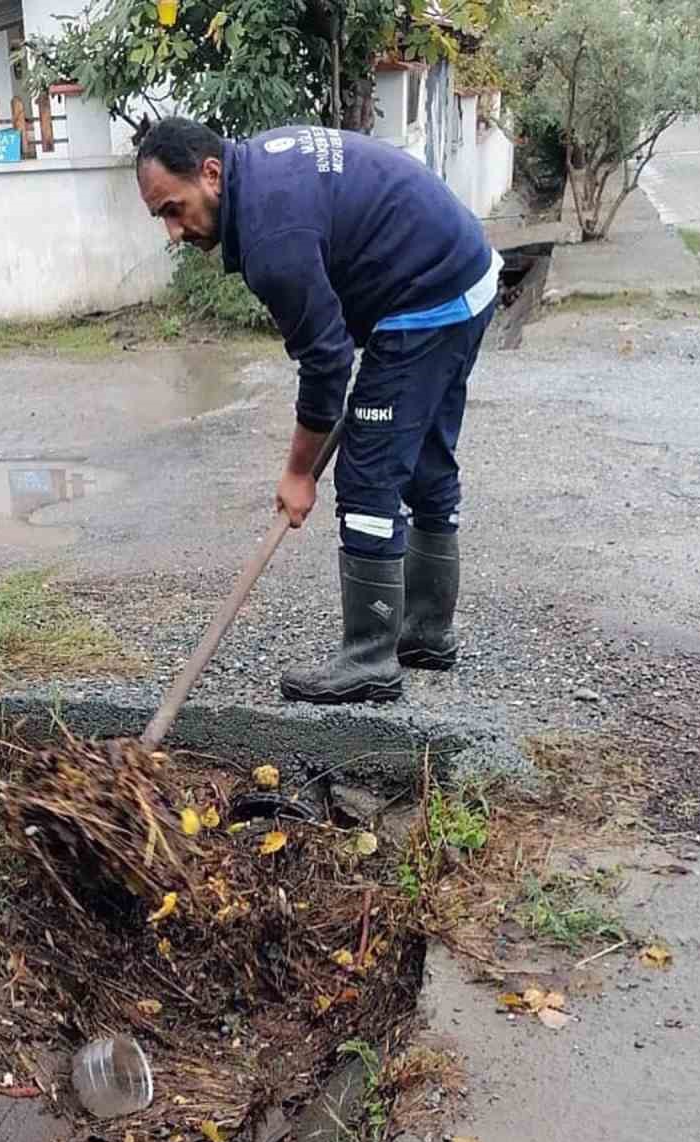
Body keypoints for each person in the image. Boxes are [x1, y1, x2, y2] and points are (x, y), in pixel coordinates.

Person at [135, 117, 500, 705]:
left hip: (429, 296)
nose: (174, 232)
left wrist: (299, 472)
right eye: (163, 219)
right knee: (425, 455)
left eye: (173, 210)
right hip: (462, 273)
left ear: (210, 173)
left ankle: (369, 660)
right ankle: (427, 633)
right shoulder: (260, 171)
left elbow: (327, 362)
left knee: (369, 474)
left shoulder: (270, 237)